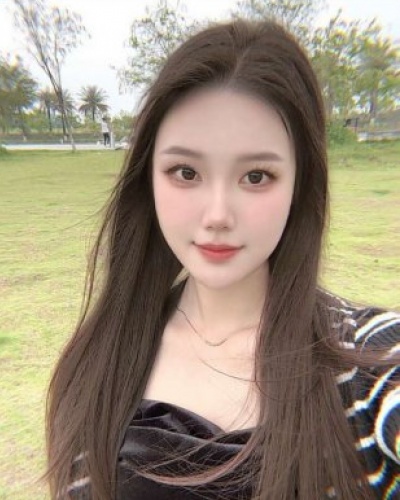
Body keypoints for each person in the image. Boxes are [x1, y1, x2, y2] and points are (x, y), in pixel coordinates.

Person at [46, 19, 400, 500]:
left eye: (256, 176)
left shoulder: (368, 361)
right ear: (148, 178)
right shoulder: (98, 361)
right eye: (185, 172)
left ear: (300, 184)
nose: (217, 215)